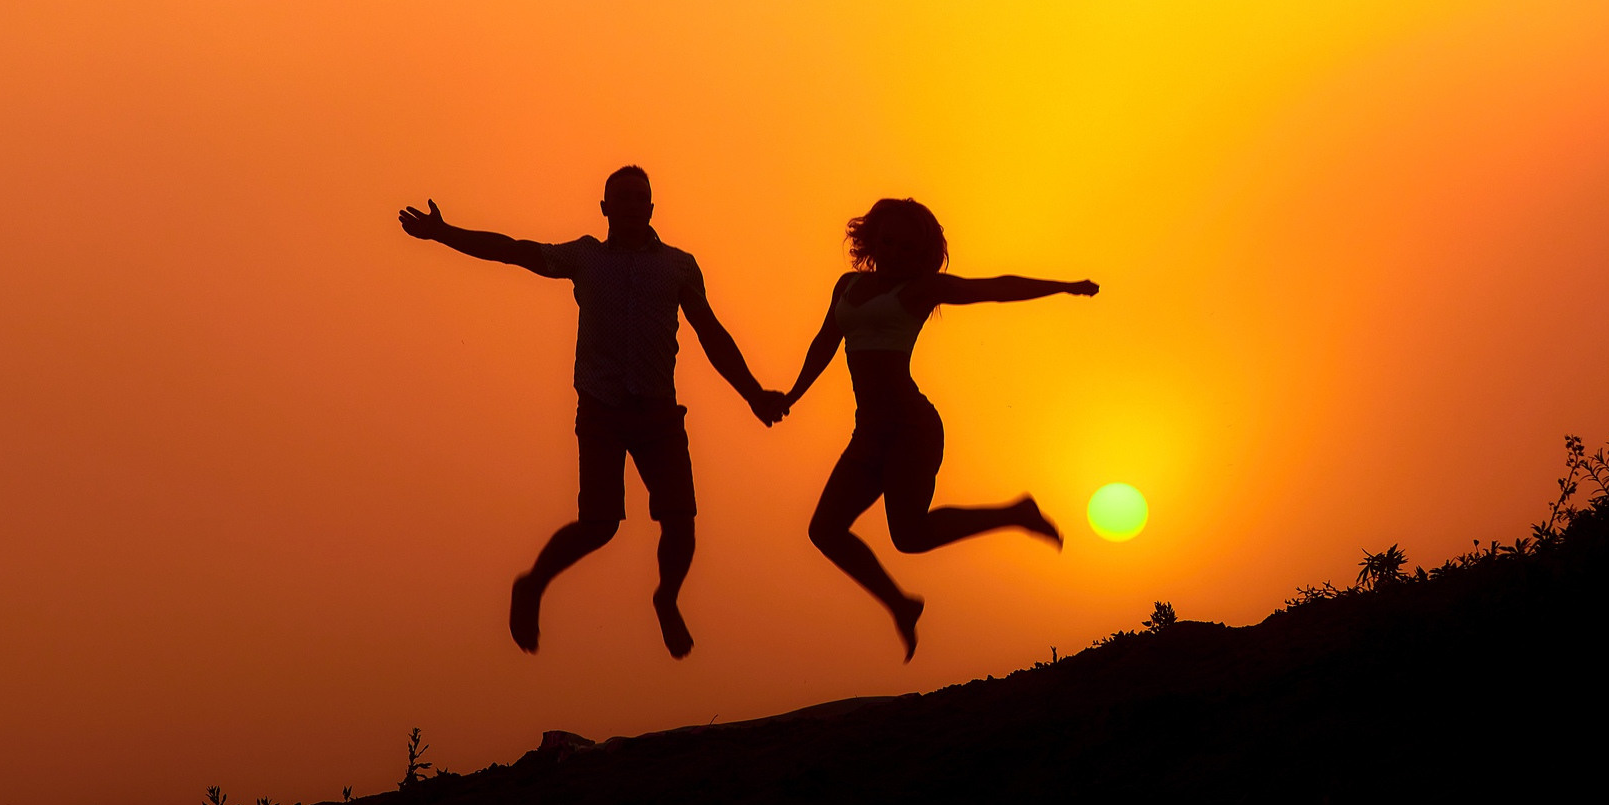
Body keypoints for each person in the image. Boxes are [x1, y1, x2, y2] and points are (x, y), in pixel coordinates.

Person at [399, 167, 783, 659]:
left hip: (658, 414)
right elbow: (513, 250)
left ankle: (667, 598)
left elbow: (712, 334)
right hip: (602, 410)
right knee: (599, 525)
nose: (628, 207)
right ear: (604, 208)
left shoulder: (677, 267)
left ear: (650, 208)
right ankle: (533, 584)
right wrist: (444, 234)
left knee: (680, 519)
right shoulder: (585, 258)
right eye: (619, 199)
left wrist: (753, 394)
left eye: (637, 199)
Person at [778, 197, 1093, 660]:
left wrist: (1064, 286)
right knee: (825, 530)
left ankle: (1015, 515)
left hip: (911, 429)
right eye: (888, 241)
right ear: (871, 237)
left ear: (922, 254)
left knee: (910, 537)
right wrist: (791, 396)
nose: (895, 252)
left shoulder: (920, 290)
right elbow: (825, 343)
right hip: (869, 433)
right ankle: (902, 606)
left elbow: (995, 288)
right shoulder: (847, 285)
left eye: (908, 247)